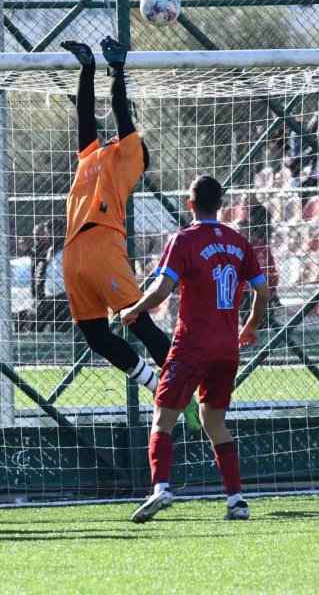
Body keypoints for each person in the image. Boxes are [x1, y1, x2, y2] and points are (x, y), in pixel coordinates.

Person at [60, 36, 200, 430]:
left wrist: (117, 68)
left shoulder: (127, 158)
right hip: (74, 253)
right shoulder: (91, 158)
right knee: (96, 337)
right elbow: (85, 118)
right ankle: (157, 384)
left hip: (103, 243)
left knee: (137, 321)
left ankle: (184, 388)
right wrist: (86, 71)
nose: (118, 140)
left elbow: (121, 113)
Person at [120, 176, 270, 523]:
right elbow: (262, 292)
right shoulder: (238, 242)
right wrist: (250, 325)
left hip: (191, 345)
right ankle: (236, 500)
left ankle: (160, 488)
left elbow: (161, 290)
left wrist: (134, 310)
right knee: (214, 421)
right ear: (221, 204)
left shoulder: (183, 240)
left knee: (163, 416)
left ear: (190, 204)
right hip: (226, 348)